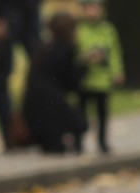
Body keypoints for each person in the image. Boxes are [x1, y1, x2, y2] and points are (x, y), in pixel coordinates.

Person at [22, 12, 87, 154]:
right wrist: (85, 66)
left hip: (32, 103)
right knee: (80, 124)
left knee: (53, 143)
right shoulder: (66, 49)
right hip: (50, 105)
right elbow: (70, 81)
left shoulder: (44, 48)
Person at [0, 0, 43, 151]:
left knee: (40, 72)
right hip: (8, 9)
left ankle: (39, 129)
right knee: (2, 75)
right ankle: (9, 133)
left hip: (30, 10)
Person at [76, 0, 124, 154]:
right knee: (81, 113)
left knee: (103, 113)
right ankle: (78, 142)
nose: (92, 12)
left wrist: (117, 72)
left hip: (103, 80)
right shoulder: (79, 30)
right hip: (85, 79)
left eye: (95, 8)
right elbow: (73, 54)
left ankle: (102, 142)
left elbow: (115, 52)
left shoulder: (108, 29)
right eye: (89, 8)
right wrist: (86, 58)